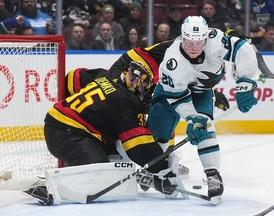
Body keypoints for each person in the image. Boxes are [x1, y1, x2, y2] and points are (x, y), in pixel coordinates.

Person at [25, 62, 185, 205]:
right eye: (141, 83)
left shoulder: (106, 75)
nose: (140, 86)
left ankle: (144, 177)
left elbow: (73, 77)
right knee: (101, 173)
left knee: (115, 156)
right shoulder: (128, 101)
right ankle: (48, 187)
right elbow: (138, 147)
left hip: (66, 127)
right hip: (66, 133)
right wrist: (163, 168)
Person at [146, 16, 260, 201]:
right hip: (171, 92)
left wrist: (246, 82)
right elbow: (177, 97)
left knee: (206, 130)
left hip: (202, 91)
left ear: (206, 38)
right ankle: (156, 170)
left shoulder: (215, 40)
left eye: (198, 42)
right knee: (159, 129)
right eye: (189, 42)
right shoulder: (172, 62)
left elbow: (243, 49)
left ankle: (213, 175)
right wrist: (192, 117)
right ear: (182, 38)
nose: (193, 47)